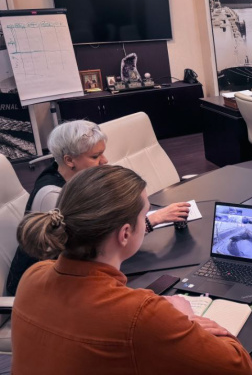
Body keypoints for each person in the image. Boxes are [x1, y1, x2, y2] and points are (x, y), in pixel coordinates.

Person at [11, 165, 252, 375]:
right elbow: (238, 367)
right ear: (125, 234)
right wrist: (188, 319)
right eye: (145, 214)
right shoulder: (140, 314)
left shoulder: (33, 275)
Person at [5, 120, 190, 295]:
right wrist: (150, 221)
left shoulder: (73, 178)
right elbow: (93, 248)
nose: (105, 160)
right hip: (41, 289)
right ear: (69, 160)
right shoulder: (54, 197)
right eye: (95, 156)